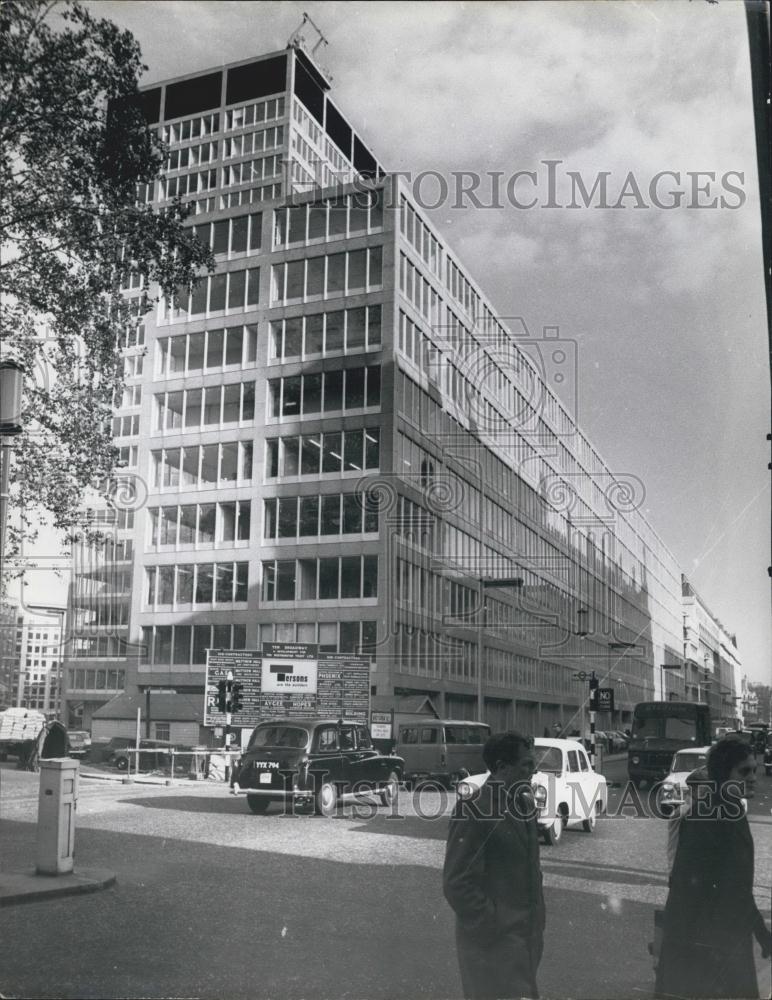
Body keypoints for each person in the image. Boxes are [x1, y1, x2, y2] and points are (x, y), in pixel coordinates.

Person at [656, 738, 772, 998]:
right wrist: (762, 933)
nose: (753, 777)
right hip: (709, 945)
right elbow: (730, 889)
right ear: (722, 775)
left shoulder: (727, 810)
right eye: (744, 771)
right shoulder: (715, 815)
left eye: (754, 770)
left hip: (716, 941)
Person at [443, 731, 545, 1000]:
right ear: (501, 768)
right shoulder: (474, 809)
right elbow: (457, 883)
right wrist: (494, 925)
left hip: (525, 944)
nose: (534, 771)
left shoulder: (524, 804)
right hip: (491, 948)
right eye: (526, 765)